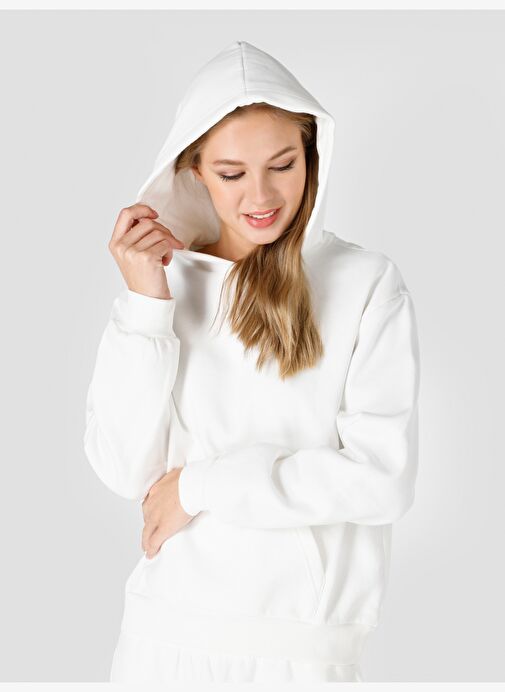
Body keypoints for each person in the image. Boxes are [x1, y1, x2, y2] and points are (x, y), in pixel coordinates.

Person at [83, 39, 421, 683]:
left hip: (303, 655)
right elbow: (126, 470)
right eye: (231, 173)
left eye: (283, 165)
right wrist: (145, 305)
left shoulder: (365, 283)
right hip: (159, 644)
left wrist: (200, 487)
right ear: (196, 171)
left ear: (312, 155)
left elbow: (382, 480)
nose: (261, 195)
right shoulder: (163, 285)